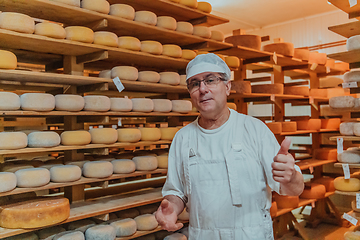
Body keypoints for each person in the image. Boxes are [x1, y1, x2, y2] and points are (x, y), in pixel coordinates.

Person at [155, 53, 304, 240]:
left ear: (227, 87)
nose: (202, 89)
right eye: (195, 83)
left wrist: (290, 178)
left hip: (251, 235)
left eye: (210, 80)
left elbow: (294, 190)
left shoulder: (254, 129)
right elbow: (176, 193)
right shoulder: (183, 138)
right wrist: (171, 209)